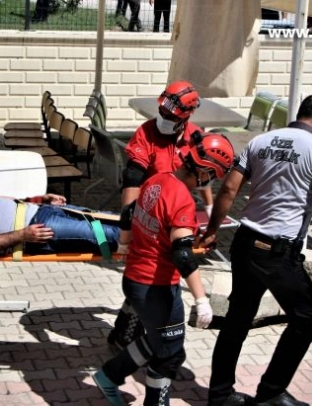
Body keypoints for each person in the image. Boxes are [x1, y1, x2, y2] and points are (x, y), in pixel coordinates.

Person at [201, 95, 312, 406]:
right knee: (307, 318)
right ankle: (271, 392)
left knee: (238, 318)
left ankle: (220, 394)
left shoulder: (260, 142)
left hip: (245, 242)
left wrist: (212, 230)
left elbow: (228, 189)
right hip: (277, 252)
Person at [92, 132, 236, 406]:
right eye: (213, 176)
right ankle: (135, 391)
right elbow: (182, 256)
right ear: (204, 172)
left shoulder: (157, 179)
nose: (211, 182)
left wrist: (124, 244)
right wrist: (201, 300)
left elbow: (128, 213)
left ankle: (110, 375)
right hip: (156, 286)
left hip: (135, 278)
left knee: (162, 343)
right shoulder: (183, 201)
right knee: (170, 353)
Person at [107, 80, 214, 351]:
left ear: (187, 116)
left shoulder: (195, 137)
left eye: (170, 115)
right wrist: (127, 226)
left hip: (175, 215)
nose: (163, 118)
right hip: (148, 212)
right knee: (154, 275)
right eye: (162, 112)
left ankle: (124, 334)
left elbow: (203, 175)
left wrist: (210, 213)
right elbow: (133, 177)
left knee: (155, 275)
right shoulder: (147, 132)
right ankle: (133, 339)